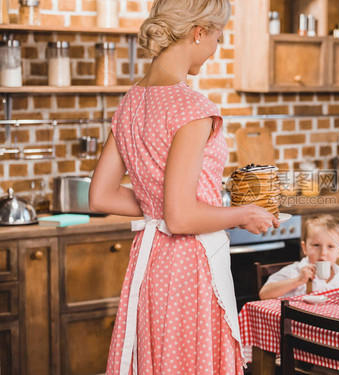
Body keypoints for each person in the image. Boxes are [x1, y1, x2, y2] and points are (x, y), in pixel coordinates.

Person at [88, 1, 278, 373]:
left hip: (150, 260)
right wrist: (243, 214)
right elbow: (180, 217)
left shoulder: (131, 101)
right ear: (199, 32)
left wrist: (161, 206)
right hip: (191, 263)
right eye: (217, 38)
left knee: (161, 359)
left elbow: (102, 196)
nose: (215, 49)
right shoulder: (192, 108)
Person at [259, 215, 339, 299]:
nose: (323, 253)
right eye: (316, 245)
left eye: (330, 246)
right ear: (304, 248)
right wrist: (297, 281)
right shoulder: (295, 272)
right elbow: (264, 294)